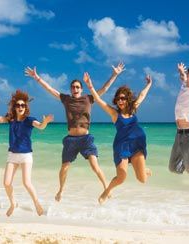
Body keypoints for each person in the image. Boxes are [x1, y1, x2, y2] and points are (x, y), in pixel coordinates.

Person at [24, 63, 125, 202]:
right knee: (64, 167)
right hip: (71, 140)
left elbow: (104, 89)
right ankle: (60, 190)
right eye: (73, 87)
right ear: (71, 89)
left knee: (95, 166)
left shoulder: (89, 98)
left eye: (78, 87)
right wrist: (36, 77)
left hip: (86, 139)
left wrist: (114, 74)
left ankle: (106, 189)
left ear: (81, 89)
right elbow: (50, 90)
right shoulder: (66, 99)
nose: (75, 89)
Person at [83, 72, 152, 204]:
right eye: (119, 99)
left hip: (137, 144)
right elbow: (98, 101)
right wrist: (90, 86)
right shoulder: (115, 114)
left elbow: (142, 95)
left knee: (142, 180)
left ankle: (144, 170)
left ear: (128, 99)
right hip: (122, 146)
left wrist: (149, 84)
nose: (120, 101)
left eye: (123, 98)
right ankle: (106, 191)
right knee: (122, 177)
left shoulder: (133, 109)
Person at [0, 91, 53, 216]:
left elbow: (40, 126)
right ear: (15, 107)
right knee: (6, 183)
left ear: (26, 107)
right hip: (12, 155)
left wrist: (45, 121)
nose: (20, 107)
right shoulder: (11, 119)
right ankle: (13, 203)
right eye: (18, 105)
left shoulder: (29, 120)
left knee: (26, 183)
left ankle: (37, 205)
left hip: (25, 155)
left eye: (23, 105)